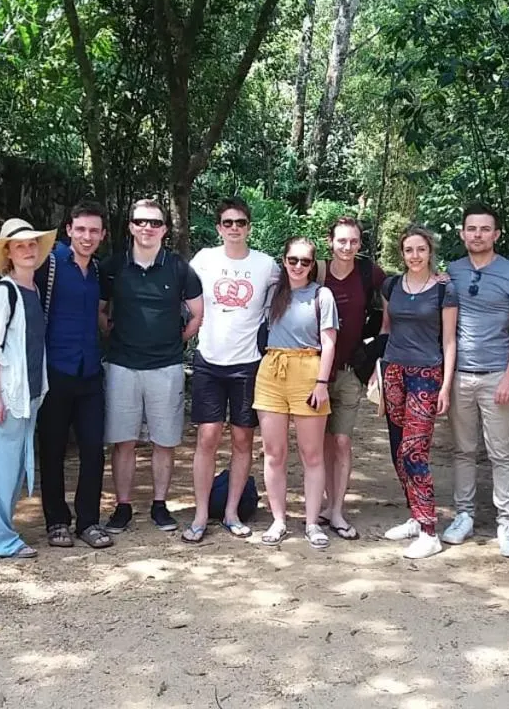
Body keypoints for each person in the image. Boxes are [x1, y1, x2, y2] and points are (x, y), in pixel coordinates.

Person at [102, 199, 204, 535]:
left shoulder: (179, 268)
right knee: (123, 440)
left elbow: (197, 314)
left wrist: (176, 342)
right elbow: (100, 311)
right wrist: (115, 335)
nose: (148, 228)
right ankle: (123, 506)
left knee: (165, 440)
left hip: (165, 366)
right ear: (130, 226)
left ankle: (160, 505)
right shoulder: (113, 266)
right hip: (122, 365)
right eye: (141, 221)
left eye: (155, 223)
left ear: (165, 229)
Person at [185, 198, 280, 543]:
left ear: (249, 226)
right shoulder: (203, 260)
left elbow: (302, 278)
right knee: (207, 437)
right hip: (209, 360)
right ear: (218, 228)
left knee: (243, 439)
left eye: (241, 222)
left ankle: (231, 512)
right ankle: (199, 516)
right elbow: (182, 298)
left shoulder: (266, 265)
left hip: (248, 363)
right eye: (228, 222)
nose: (235, 228)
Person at [444, 204, 509, 557]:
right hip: (461, 375)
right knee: (463, 450)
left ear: (496, 234)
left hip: (498, 374)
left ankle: (506, 522)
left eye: (484, 229)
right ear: (463, 233)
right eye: (471, 229)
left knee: (500, 452)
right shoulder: (451, 273)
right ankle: (463, 515)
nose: (477, 234)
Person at [0, 218, 55, 559]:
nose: (28, 250)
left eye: (32, 244)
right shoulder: (3, 293)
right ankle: (0, 538)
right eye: (20, 246)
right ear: (8, 253)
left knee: (6, 466)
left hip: (29, 391)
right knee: (4, 467)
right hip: (10, 394)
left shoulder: (30, 290)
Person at [375, 224, 458, 559]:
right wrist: (377, 371)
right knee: (398, 449)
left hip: (427, 373)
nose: (415, 256)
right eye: (409, 250)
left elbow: (450, 340)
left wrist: (446, 385)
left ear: (430, 251)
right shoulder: (391, 285)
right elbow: (385, 328)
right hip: (394, 370)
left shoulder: (443, 290)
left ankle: (428, 530)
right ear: (402, 253)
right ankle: (414, 514)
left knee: (415, 451)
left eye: (420, 249)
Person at [253, 237, 339, 548]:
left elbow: (329, 342)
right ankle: (279, 520)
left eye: (305, 261)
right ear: (285, 260)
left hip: (308, 369)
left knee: (312, 454)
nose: (298, 266)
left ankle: (313, 522)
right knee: (274, 453)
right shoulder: (273, 292)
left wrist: (321, 383)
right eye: (293, 260)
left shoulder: (322, 295)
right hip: (272, 369)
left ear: (313, 264)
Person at [36, 202, 112, 550]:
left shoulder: (98, 271)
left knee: (94, 449)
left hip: (90, 371)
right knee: (52, 449)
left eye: (94, 231)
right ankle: (56, 521)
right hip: (54, 371)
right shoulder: (47, 264)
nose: (87, 236)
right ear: (68, 229)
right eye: (81, 229)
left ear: (102, 236)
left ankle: (88, 521)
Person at [317, 217, 385, 539]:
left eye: (353, 242)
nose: (347, 247)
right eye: (342, 241)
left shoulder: (369, 274)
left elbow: (395, 304)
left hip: (349, 372)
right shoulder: (315, 270)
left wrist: (376, 357)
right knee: (320, 443)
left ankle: (337, 510)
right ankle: (322, 504)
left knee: (342, 441)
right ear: (330, 241)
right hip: (314, 371)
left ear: (360, 244)